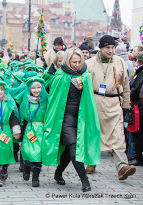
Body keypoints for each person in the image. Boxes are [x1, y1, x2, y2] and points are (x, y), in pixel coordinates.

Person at [42, 48, 100, 192]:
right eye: (74, 62)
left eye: (79, 62)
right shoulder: (60, 75)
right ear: (68, 60)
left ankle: (58, 172)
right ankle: (85, 181)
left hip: (81, 118)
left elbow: (90, 100)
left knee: (69, 150)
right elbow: (53, 100)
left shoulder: (86, 75)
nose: (76, 64)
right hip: (64, 119)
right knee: (74, 149)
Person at [85, 35, 136, 180]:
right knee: (94, 133)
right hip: (95, 101)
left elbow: (125, 85)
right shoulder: (89, 64)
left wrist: (125, 104)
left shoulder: (120, 62)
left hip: (114, 102)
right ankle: (91, 161)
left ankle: (122, 166)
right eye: (108, 47)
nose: (111, 50)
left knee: (118, 134)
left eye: (113, 47)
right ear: (100, 48)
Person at [17, 77, 48, 187]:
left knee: (38, 153)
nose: (36, 90)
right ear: (29, 89)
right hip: (29, 129)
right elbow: (22, 115)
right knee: (26, 150)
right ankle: (26, 167)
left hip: (41, 130)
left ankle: (36, 177)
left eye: (39, 87)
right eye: (33, 88)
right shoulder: (26, 101)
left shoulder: (45, 101)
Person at [129, 51, 143, 165]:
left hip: (140, 105)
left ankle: (138, 157)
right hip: (139, 104)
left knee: (138, 133)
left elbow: (136, 89)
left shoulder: (140, 73)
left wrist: (130, 95)